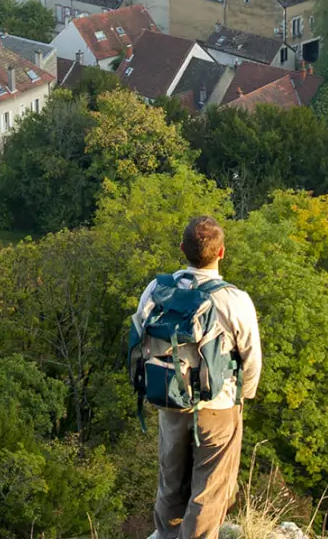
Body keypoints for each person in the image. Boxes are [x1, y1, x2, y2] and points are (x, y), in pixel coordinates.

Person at [132, 215, 262, 539]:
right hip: (218, 407)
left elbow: (139, 335)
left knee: (171, 480)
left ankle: (165, 534)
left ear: (182, 249)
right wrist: (242, 397)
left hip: (170, 398)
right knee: (210, 489)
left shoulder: (158, 288)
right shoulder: (235, 300)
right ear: (221, 253)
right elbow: (251, 360)